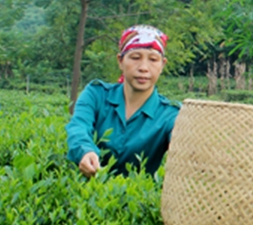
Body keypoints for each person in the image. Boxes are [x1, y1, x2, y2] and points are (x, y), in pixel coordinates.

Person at [66, 25, 180, 177]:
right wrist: (85, 151)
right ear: (120, 61)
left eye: (153, 59)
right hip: (88, 192)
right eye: (135, 57)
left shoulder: (171, 115)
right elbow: (78, 126)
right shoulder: (96, 94)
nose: (144, 68)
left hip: (138, 198)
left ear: (162, 65)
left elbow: (183, 148)